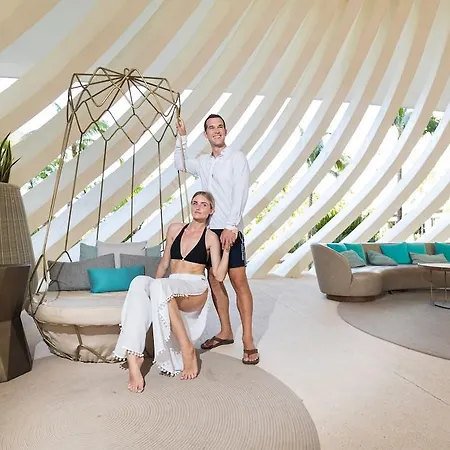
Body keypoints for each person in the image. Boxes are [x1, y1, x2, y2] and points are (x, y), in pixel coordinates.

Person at [113, 191, 230, 393]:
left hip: (194, 288)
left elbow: (219, 276)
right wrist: (153, 291)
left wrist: (227, 250)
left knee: (161, 287)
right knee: (139, 282)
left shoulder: (211, 237)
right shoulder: (175, 229)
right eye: (195, 203)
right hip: (170, 284)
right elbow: (164, 263)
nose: (198, 207)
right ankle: (133, 357)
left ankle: (187, 349)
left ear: (211, 210)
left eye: (204, 204)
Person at [174, 114, 259, 365]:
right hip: (209, 231)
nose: (216, 131)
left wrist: (232, 227)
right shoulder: (203, 162)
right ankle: (225, 331)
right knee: (214, 281)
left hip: (230, 229)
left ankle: (248, 339)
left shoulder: (236, 157)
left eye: (220, 126)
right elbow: (180, 163)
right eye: (211, 128)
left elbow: (240, 192)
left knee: (239, 281)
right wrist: (182, 137)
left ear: (225, 130)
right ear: (206, 134)